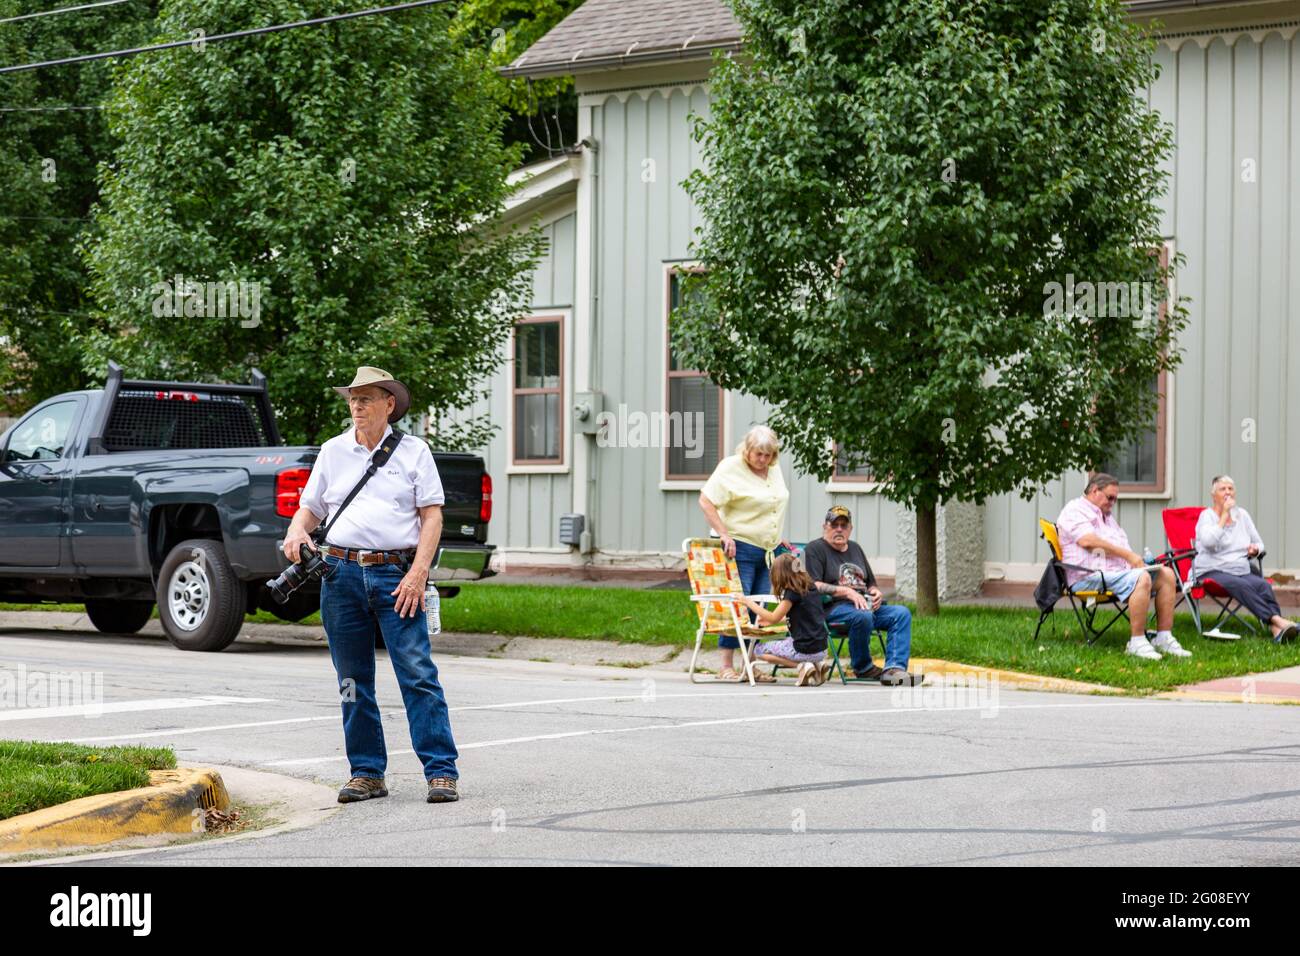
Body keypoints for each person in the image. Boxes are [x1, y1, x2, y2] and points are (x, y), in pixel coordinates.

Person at [283, 366, 460, 804]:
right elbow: (311, 508)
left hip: (396, 575)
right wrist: (296, 530)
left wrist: (419, 572)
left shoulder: (415, 452)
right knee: (351, 680)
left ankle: (441, 771)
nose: (356, 406)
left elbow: (432, 516)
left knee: (417, 674)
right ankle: (366, 773)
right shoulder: (333, 451)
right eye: (352, 398)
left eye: (365, 398)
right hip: (339, 574)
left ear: (389, 404)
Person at [1055, 472, 1190, 660]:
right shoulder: (1075, 510)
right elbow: (1088, 541)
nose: (1112, 503)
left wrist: (1139, 563)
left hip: (1115, 574)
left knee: (1166, 574)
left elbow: (1120, 548)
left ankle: (1163, 637)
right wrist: (1130, 557)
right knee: (1140, 578)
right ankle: (1136, 642)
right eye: (1110, 497)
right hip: (1087, 577)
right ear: (1094, 490)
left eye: (1115, 499)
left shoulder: (1106, 516)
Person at [698, 425, 793, 682]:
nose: (762, 460)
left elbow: (773, 504)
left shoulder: (774, 469)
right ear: (747, 450)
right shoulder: (730, 468)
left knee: (759, 608)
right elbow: (706, 501)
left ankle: (749, 665)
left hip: (768, 551)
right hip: (740, 546)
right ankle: (726, 665)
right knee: (737, 606)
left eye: (768, 455)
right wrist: (724, 534)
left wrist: (776, 534)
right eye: (758, 454)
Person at [802, 506, 919, 686]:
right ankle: (863, 667)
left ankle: (894, 670)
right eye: (834, 525)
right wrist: (846, 592)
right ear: (825, 526)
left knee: (901, 614)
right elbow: (813, 585)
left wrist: (875, 591)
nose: (839, 529)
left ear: (850, 529)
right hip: (834, 608)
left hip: (865, 605)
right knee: (862, 616)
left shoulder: (855, 548)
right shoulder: (815, 549)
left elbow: (870, 581)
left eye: (844, 525)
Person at [1193, 475, 1298, 643]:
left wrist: (1255, 549)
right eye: (1222, 489)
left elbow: (1259, 543)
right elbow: (1208, 542)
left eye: (1230, 488)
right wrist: (1224, 515)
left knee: (1262, 585)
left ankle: (1276, 631)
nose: (1228, 492)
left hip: (1239, 569)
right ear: (1214, 495)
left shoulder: (1242, 515)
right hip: (1211, 570)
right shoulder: (1207, 516)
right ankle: (1277, 620)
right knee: (1241, 585)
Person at [740, 552, 833, 686]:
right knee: (788, 642)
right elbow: (802, 615)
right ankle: (818, 665)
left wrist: (748, 602)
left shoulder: (791, 593)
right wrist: (772, 621)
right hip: (821, 649)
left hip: (803, 650)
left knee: (759, 650)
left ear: (780, 575)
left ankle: (802, 666)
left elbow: (773, 617)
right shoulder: (811, 588)